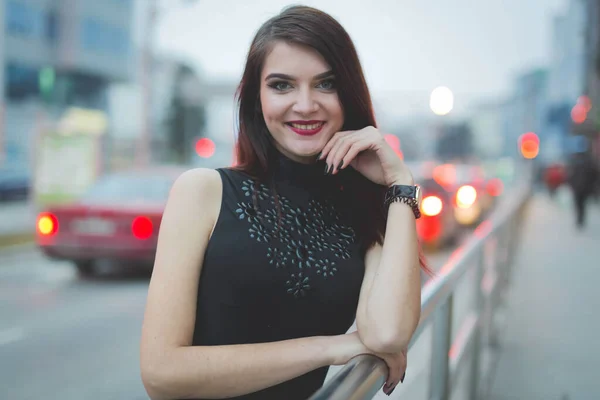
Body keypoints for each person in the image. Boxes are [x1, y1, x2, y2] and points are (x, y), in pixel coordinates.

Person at [140, 6, 430, 399]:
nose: (306, 104)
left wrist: (400, 185)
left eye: (326, 84)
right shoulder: (203, 191)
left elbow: (389, 333)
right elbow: (161, 372)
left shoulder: (363, 210)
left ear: (348, 94)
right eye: (281, 85)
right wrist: (330, 347)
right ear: (256, 98)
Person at [567, 150, 599, 228]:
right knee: (582, 204)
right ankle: (581, 218)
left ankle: (580, 219)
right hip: (584, 187)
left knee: (579, 204)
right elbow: (595, 175)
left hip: (578, 187)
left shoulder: (574, 162)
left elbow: (570, 175)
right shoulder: (589, 162)